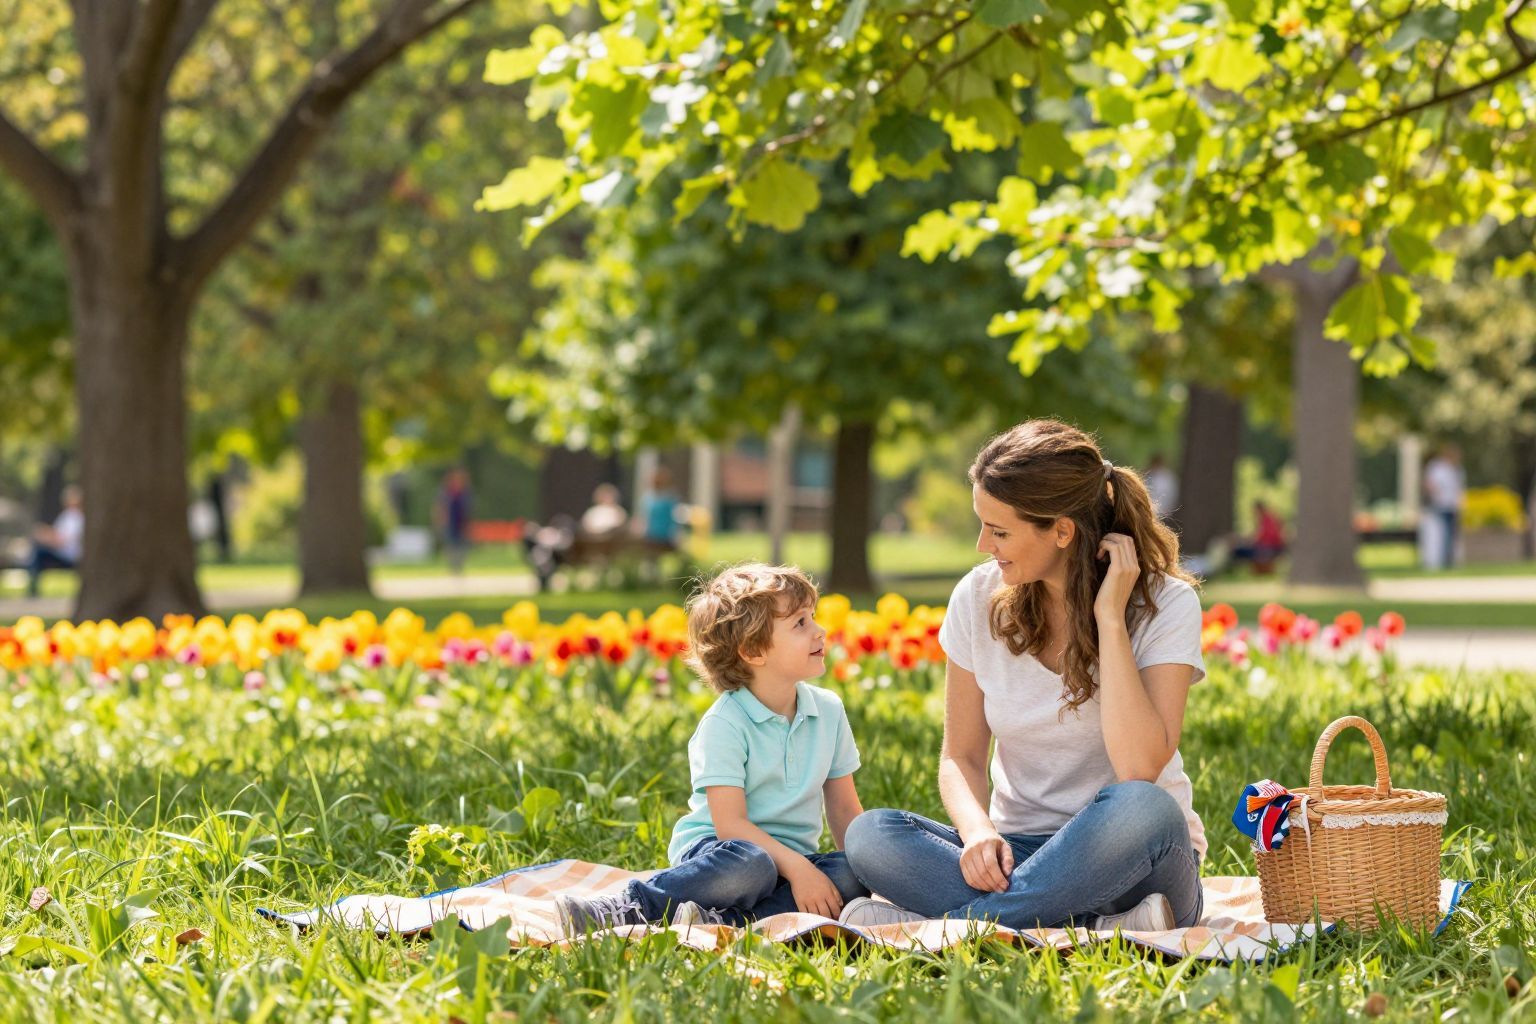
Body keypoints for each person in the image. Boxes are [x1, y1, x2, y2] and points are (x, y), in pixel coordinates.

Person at [840, 419, 1206, 934]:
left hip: (1135, 856)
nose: (982, 544)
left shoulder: (1166, 603)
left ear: (1061, 530)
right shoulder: (977, 596)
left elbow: (1139, 766)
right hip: (1019, 852)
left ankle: (957, 926)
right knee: (870, 835)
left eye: (1000, 530)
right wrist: (976, 832)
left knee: (1142, 806)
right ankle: (1097, 924)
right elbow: (960, 756)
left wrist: (1109, 620)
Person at [555, 563, 869, 933]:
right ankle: (631, 906)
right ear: (753, 650)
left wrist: (867, 868)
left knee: (854, 872)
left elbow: (845, 808)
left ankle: (722, 921)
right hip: (724, 853)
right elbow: (731, 825)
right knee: (753, 866)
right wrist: (800, 869)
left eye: (812, 617)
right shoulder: (726, 723)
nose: (820, 630)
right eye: (800, 623)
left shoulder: (828, 710)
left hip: (792, 860)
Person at [27, 485, 83, 597]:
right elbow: (57, 534)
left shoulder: (76, 517)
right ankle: (33, 586)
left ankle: (33, 588)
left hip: (68, 555)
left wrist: (45, 537)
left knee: (38, 553)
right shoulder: (66, 516)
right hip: (62, 552)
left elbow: (62, 541)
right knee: (37, 551)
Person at [1422, 444, 1465, 570]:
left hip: (1452, 505)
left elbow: (1458, 487)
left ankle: (1449, 560)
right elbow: (1430, 484)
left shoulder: (1457, 469)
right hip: (1440, 505)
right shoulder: (1437, 467)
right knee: (1441, 534)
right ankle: (1440, 560)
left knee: (1451, 534)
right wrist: (1435, 495)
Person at [435, 467, 473, 575]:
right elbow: (439, 507)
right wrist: (440, 520)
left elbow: (469, 508)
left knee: (462, 546)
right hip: (449, 523)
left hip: (462, 524)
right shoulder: (445, 492)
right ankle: (453, 568)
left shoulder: (465, 492)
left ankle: (459, 567)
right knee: (450, 546)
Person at [1232, 501, 1286, 574]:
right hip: (1265, 548)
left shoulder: (1268, 520)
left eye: (1255, 511)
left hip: (1267, 549)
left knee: (1236, 551)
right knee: (1235, 549)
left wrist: (1250, 541)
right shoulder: (1266, 519)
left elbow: (1267, 538)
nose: (1254, 513)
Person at [639, 467, 684, 549]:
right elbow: (644, 516)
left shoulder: (670, 496)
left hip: (665, 534)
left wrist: (676, 534)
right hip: (649, 533)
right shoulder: (648, 497)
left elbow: (675, 516)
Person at [1144, 453, 1178, 520]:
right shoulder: (1147, 476)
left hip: (1165, 513)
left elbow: (1172, 494)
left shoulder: (1168, 478)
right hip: (1149, 512)